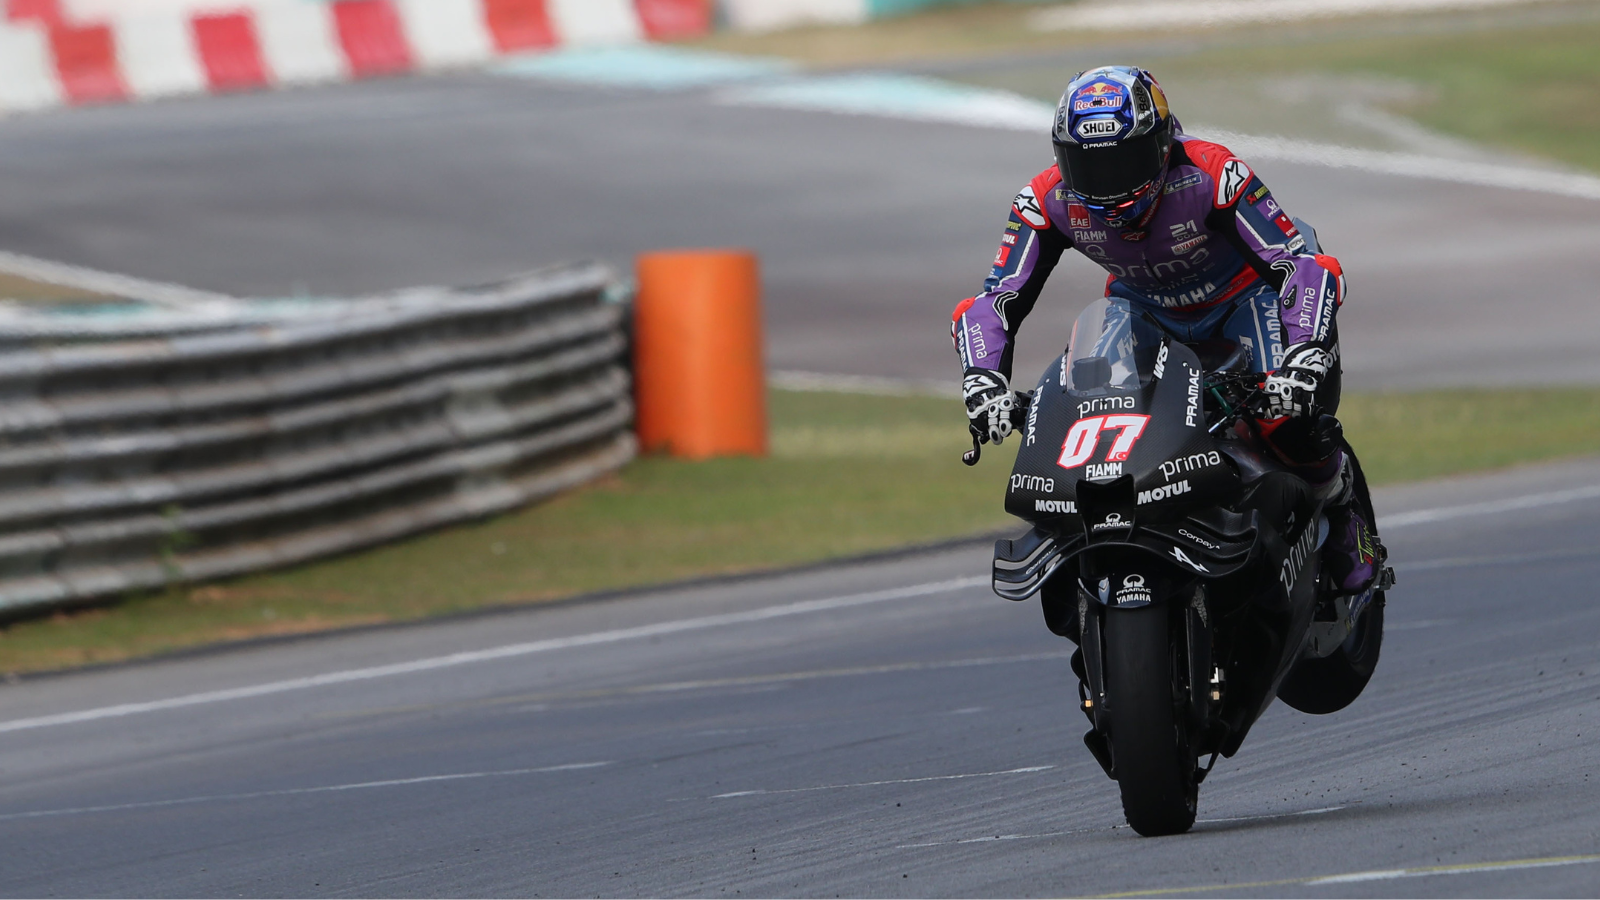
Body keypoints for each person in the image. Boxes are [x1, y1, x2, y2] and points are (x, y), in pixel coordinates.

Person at [951, 65, 1376, 592]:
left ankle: (1338, 498)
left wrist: (1304, 353)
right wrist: (982, 380)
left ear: (1160, 145)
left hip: (1245, 297)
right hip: (1144, 308)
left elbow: (1298, 263)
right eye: (1088, 165)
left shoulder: (1212, 173)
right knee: (1095, 408)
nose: (1107, 185)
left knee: (1286, 421)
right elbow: (996, 298)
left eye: (1123, 162)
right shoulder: (1044, 200)